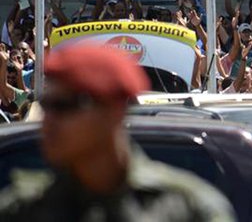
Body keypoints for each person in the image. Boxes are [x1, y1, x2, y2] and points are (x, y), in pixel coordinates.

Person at [0, 44, 235, 221]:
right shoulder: (22, 210)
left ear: (114, 111)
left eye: (63, 106)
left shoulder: (187, 208)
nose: (47, 122)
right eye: (46, 106)